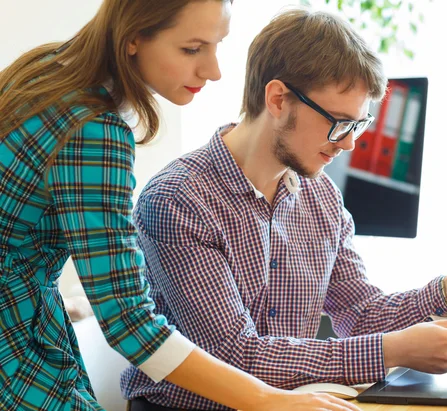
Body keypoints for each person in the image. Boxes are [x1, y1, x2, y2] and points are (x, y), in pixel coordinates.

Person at [121, 7, 447, 410]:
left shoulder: (321, 197)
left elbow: (358, 315)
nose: (348, 145)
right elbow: (235, 355)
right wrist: (391, 351)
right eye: (338, 122)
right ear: (277, 99)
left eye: (357, 125)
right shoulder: (177, 200)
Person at [0, 1, 362, 410]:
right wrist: (268, 400)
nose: (214, 70)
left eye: (217, 45)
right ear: (134, 36)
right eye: (192, 49)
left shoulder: (47, 73)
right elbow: (129, 320)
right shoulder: (95, 131)